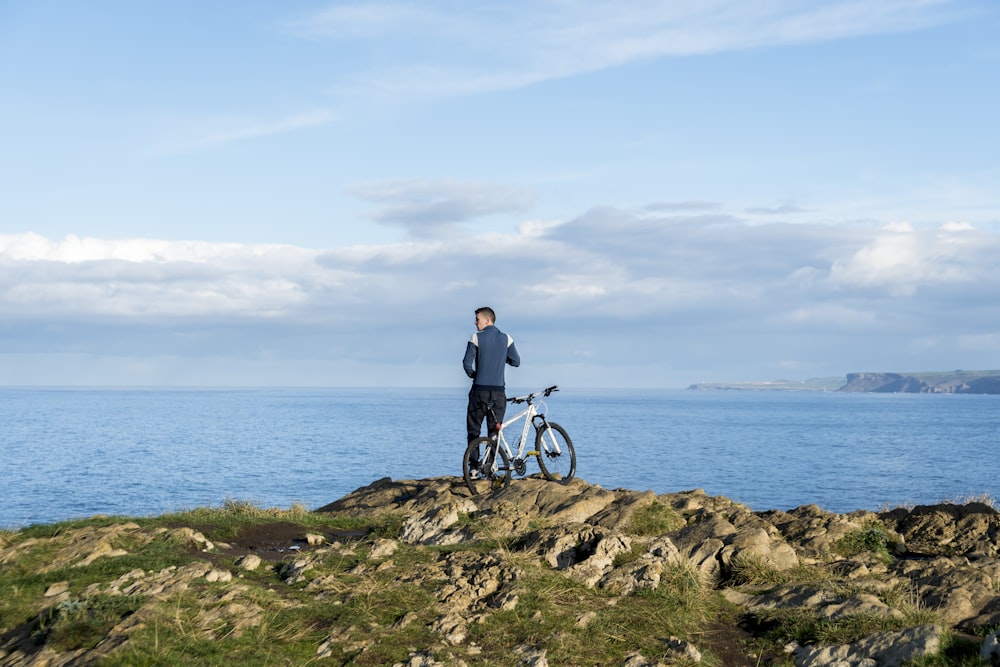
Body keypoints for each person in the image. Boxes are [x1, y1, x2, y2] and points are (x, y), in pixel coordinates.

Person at [463, 306, 520, 471]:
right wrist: (502, 359)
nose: (475, 323)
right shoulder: (506, 338)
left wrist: (474, 374)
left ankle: (473, 468)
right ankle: (490, 464)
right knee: (494, 431)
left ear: (488, 320)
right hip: (498, 393)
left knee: (474, 429)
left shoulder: (475, 338)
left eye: (477, 319)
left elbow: (466, 364)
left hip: (479, 391)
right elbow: (516, 362)